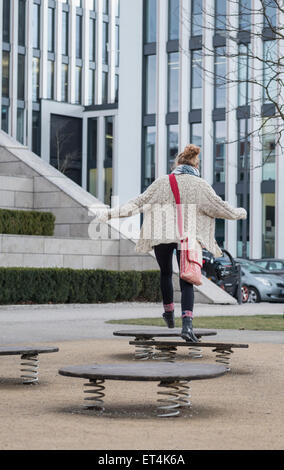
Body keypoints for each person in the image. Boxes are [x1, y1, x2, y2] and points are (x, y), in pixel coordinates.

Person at [97, 144, 247, 342]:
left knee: (166, 273)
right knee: (188, 279)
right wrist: (240, 213)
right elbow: (220, 207)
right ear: (195, 163)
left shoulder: (161, 182)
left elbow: (138, 203)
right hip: (187, 236)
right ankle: (187, 324)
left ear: (177, 163)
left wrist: (110, 213)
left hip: (162, 235)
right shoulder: (200, 185)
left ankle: (168, 313)